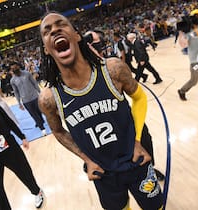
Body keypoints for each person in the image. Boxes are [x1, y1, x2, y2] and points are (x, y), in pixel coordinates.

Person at [38, 12, 163, 210]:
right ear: (46, 49)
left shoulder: (112, 69)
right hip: (103, 172)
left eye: (61, 24)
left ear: (77, 35)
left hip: (135, 160)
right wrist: (86, 159)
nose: (54, 29)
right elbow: (58, 131)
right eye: (47, 31)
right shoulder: (49, 98)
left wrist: (138, 141)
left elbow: (139, 98)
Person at [85, 30, 165, 181]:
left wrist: (138, 137)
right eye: (86, 42)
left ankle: (150, 169)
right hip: (102, 133)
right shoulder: (79, 73)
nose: (89, 45)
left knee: (146, 140)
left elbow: (138, 98)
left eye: (93, 42)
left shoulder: (112, 66)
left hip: (125, 122)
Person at [9, 62, 47, 136]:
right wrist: (19, 103)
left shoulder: (27, 74)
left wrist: (40, 93)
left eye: (15, 67)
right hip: (26, 100)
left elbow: (34, 83)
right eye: (12, 68)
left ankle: (40, 121)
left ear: (18, 67)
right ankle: (42, 128)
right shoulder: (12, 80)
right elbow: (16, 92)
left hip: (35, 97)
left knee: (39, 111)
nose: (14, 69)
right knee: (33, 114)